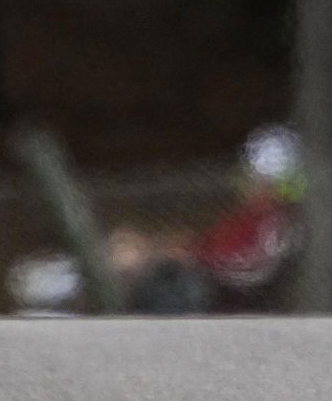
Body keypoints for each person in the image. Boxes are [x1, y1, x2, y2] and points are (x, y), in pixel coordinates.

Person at [105, 125, 304, 313]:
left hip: (222, 298)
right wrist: (163, 249)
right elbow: (207, 244)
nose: (245, 184)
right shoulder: (248, 215)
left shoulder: (272, 219)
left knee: (163, 282)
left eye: (252, 178)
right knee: (131, 253)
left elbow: (248, 266)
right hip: (208, 279)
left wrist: (188, 259)